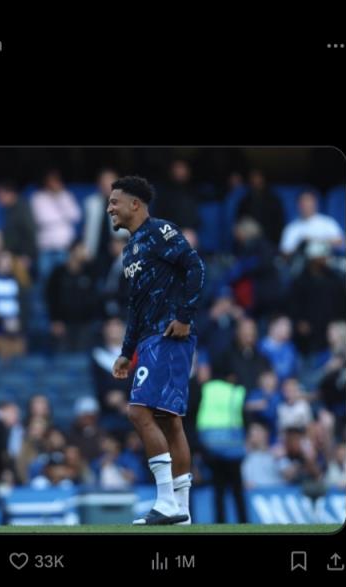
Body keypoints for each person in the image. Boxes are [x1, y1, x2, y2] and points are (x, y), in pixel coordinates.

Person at [108, 176, 205, 525]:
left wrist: (184, 317)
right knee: (169, 420)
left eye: (115, 202)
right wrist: (126, 351)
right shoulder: (129, 250)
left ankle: (165, 501)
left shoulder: (161, 231)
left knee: (138, 413)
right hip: (149, 339)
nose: (109, 208)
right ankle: (182, 510)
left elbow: (196, 267)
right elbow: (135, 306)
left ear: (135, 204)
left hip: (168, 335)